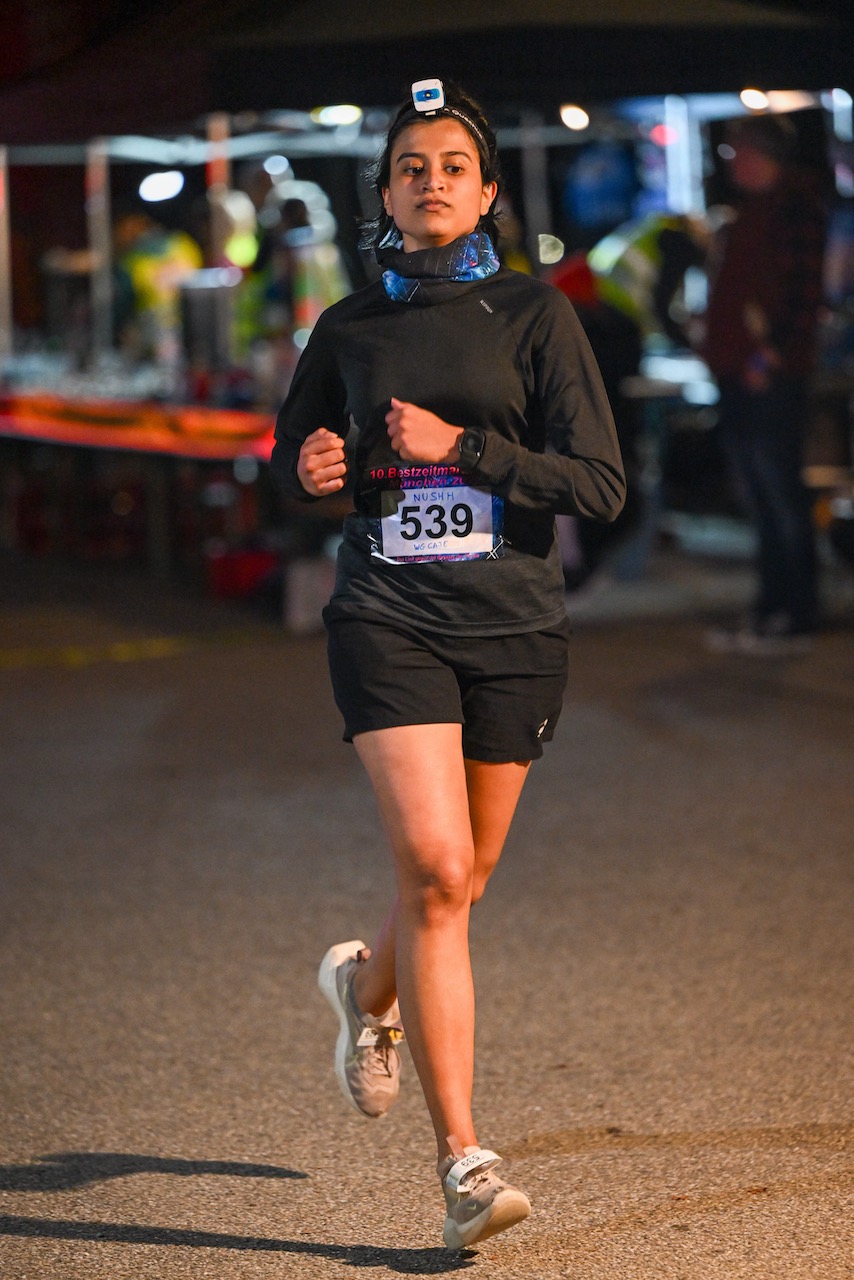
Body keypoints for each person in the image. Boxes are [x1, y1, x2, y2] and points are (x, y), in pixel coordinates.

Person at [270, 79, 625, 1251]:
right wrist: (311, 467)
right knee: (432, 867)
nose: (430, 182)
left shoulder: (535, 314)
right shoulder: (346, 327)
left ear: (483, 194)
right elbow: (290, 465)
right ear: (383, 192)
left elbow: (599, 484)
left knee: (457, 882)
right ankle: (463, 1162)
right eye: (409, 166)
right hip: (387, 614)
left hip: (513, 624)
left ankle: (362, 991)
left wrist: (464, 447)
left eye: (451, 167)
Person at [702, 113, 828, 652]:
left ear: (759, 155)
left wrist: (769, 354)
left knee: (778, 493)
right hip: (745, 369)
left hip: (767, 374)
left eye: (737, 154)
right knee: (763, 494)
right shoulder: (758, 212)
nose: (732, 165)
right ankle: (774, 607)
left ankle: (794, 611)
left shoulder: (792, 211)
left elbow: (802, 293)